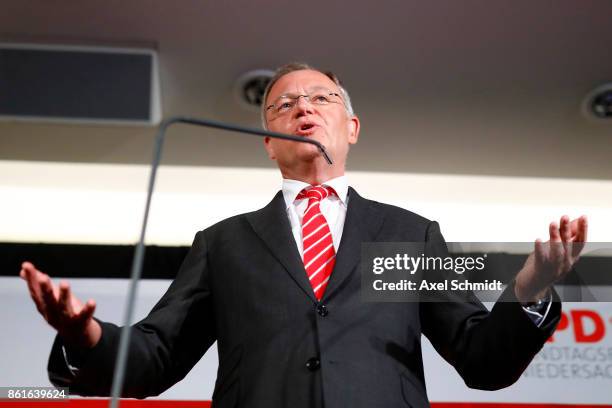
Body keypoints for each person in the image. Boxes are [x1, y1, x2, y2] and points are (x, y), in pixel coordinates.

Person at [21, 63, 588, 408]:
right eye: (284, 105)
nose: (304, 110)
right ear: (268, 140)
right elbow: (156, 356)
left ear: (352, 128)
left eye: (322, 99)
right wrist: (85, 332)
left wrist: (529, 290)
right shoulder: (224, 243)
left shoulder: (408, 236)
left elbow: (481, 360)